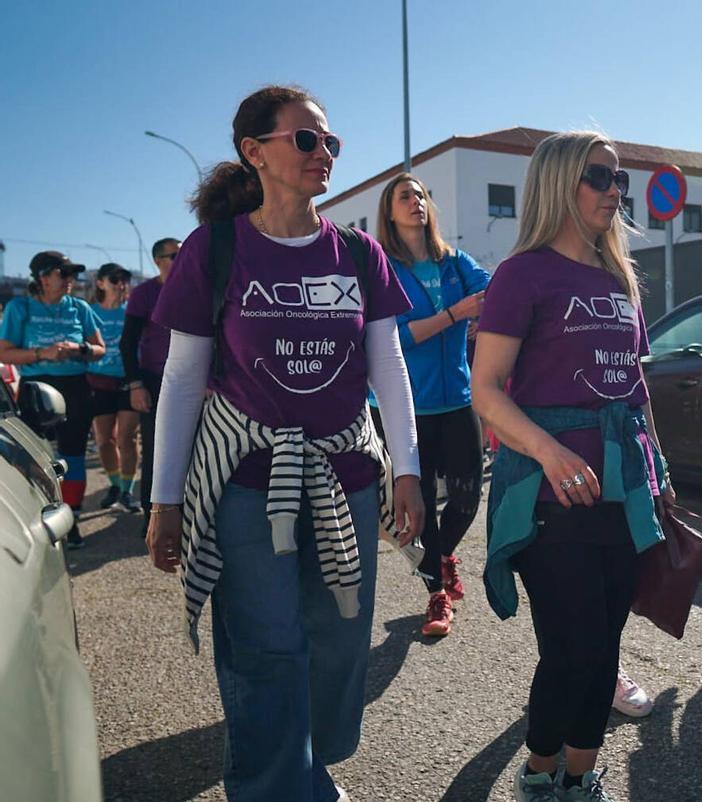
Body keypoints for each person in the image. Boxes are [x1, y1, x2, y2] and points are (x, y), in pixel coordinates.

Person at [144, 85, 423, 802]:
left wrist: (408, 472)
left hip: (348, 476)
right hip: (247, 483)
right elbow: (181, 378)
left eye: (331, 142)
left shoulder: (359, 255)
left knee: (338, 639)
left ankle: (309, 760)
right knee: (265, 646)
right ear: (254, 152)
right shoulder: (218, 248)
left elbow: (387, 365)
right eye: (306, 140)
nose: (323, 153)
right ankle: (275, 784)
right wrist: (164, 500)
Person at [473, 131, 675, 802]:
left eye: (620, 180)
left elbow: (635, 389)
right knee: (573, 650)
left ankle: (582, 776)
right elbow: (487, 389)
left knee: (606, 648)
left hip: (623, 487)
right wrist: (550, 451)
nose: (615, 192)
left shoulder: (619, 277)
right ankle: (538, 770)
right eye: (599, 177)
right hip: (547, 495)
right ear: (560, 182)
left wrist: (661, 476)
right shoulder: (522, 274)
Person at [374, 171, 490, 637]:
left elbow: (496, 291)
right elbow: (397, 337)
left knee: (466, 498)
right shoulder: (387, 267)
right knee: (418, 505)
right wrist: (455, 315)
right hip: (409, 408)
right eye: (405, 196)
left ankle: (441, 558)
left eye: (420, 194)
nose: (415, 201)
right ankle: (437, 596)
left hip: (458, 400)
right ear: (390, 210)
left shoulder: (455, 262)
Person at [0, 251, 106, 548]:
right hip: (36, 388)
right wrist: (41, 354)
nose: (70, 279)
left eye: (72, 274)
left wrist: (78, 348)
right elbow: (3, 352)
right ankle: (37, 516)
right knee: (37, 455)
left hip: (76, 386)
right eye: (63, 273)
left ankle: (70, 520)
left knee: (73, 454)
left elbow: (100, 349)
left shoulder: (80, 307)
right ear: (43, 278)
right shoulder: (19, 308)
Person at [122, 237, 181, 528]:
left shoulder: (196, 289)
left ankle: (190, 515)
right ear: (158, 261)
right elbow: (127, 343)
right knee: (157, 451)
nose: (180, 259)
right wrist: (135, 385)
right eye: (174, 255)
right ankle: (152, 518)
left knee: (194, 451)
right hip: (154, 381)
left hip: (192, 382)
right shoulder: (144, 293)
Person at [89, 262, 140, 512]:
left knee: (126, 438)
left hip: (129, 381)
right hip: (98, 382)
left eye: (124, 279)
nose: (121, 284)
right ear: (100, 283)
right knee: (104, 440)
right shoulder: (89, 312)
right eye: (114, 279)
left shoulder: (133, 311)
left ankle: (128, 492)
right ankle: (115, 485)